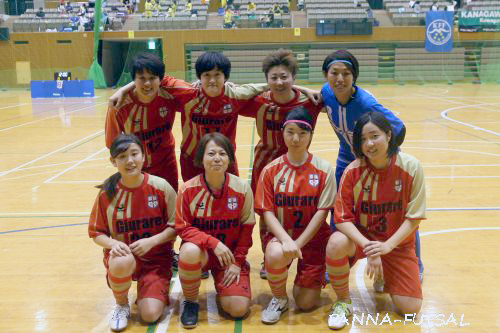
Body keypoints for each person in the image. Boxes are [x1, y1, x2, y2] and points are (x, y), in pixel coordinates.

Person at [319, 50, 425, 282]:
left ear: (354, 76)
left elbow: (398, 126)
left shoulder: (366, 102)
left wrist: (384, 157)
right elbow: (315, 98)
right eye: (334, 73)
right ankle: (337, 261)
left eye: (346, 74)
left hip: (372, 160)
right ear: (326, 75)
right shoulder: (327, 93)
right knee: (338, 210)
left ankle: (416, 263)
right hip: (346, 158)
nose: (340, 79)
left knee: (398, 210)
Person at [325, 111, 425, 329]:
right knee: (336, 243)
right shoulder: (352, 172)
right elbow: (342, 220)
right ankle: (342, 302)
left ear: (388, 136)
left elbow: (414, 217)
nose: (369, 144)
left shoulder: (411, 167)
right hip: (364, 239)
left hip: (396, 243)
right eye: (362, 139)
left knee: (411, 308)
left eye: (374, 136)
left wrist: (387, 247)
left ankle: (386, 275)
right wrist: (371, 249)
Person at [109, 51, 269, 182]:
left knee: (231, 202)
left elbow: (263, 89)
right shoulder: (187, 94)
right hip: (192, 161)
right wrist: (124, 89)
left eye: (217, 75)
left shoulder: (236, 96)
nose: (212, 80)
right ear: (199, 77)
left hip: (225, 160)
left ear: (225, 77)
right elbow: (157, 77)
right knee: (192, 205)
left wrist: (292, 87)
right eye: (207, 75)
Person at [239, 49, 326, 278]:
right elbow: (230, 93)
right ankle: (271, 257)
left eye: (284, 76)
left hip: (299, 167)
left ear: (293, 77)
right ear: (266, 80)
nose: (279, 82)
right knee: (266, 214)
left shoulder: (311, 102)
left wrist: (305, 90)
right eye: (273, 77)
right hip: (265, 165)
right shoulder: (258, 102)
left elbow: (339, 98)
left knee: (298, 208)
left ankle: (302, 249)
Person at [255, 107, 337, 324]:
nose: (296, 138)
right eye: (290, 132)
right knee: (274, 254)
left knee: (305, 302)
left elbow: (322, 214)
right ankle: (279, 299)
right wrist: (286, 241)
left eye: (302, 133)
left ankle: (316, 274)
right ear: (283, 133)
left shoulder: (324, 170)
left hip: (312, 241)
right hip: (283, 237)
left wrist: (298, 244)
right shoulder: (271, 170)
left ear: (311, 135)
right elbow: (267, 212)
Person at [88, 134, 177, 332]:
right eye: (122, 157)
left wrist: (152, 241)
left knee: (150, 314)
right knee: (120, 259)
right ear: (113, 162)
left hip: (155, 260)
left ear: (143, 156)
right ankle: (121, 305)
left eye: (134, 154)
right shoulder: (107, 193)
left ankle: (152, 289)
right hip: (125, 259)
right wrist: (113, 244)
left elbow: (176, 227)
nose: (130, 161)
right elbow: (96, 233)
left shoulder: (161, 187)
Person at [175, 133, 255, 328]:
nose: (217, 158)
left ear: (229, 158)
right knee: (189, 251)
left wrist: (237, 262)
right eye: (211, 153)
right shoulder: (187, 189)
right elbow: (182, 227)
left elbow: (247, 229)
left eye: (222, 153)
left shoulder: (242, 188)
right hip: (202, 253)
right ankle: (191, 302)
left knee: (238, 309)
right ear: (201, 158)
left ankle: (226, 288)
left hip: (229, 258)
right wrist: (213, 243)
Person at [105, 52, 179, 192]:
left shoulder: (170, 95)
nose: (147, 83)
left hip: (166, 164)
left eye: (152, 78)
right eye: (142, 78)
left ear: (160, 79)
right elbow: (112, 143)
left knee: (170, 207)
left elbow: (197, 91)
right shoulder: (119, 106)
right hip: (135, 168)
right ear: (133, 79)